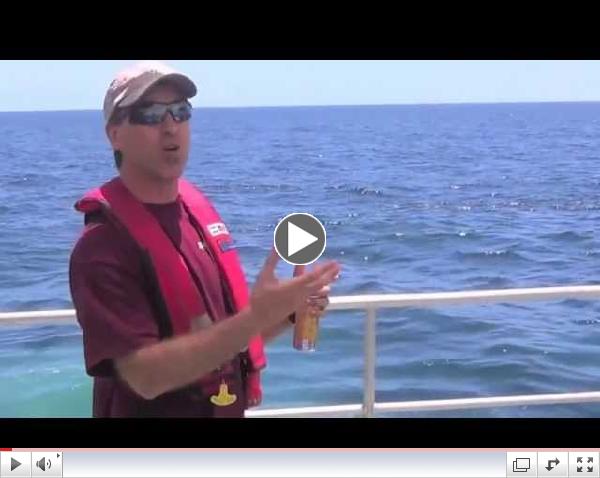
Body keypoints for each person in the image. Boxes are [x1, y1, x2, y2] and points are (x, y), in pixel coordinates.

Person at [68, 61, 340, 417]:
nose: (171, 127)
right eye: (150, 114)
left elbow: (226, 338)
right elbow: (144, 376)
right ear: (115, 134)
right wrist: (256, 317)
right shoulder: (102, 247)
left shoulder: (195, 217)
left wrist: (286, 312)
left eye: (181, 112)